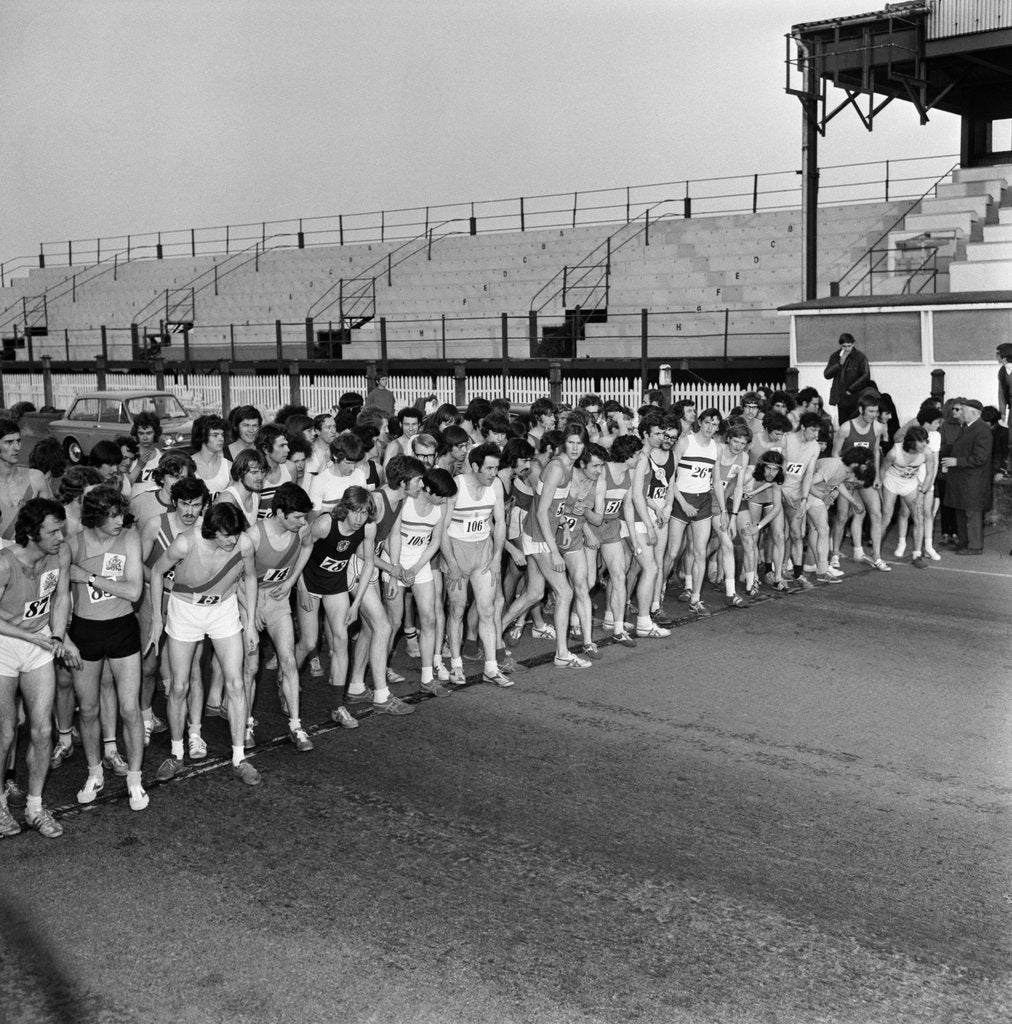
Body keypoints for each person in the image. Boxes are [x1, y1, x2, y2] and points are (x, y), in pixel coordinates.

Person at [149, 502, 261, 785]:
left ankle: (239, 758)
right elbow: (155, 572)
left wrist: (249, 624)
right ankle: (176, 754)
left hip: (223, 609)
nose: (232, 540)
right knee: (178, 685)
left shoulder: (243, 542)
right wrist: (156, 620)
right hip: (185, 610)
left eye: (236, 534)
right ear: (211, 531)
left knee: (236, 682)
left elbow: (249, 577)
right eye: (226, 535)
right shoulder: (185, 543)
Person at [0, 499, 78, 839]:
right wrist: (34, 638)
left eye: (61, 528)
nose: (60, 536)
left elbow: (61, 598)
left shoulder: (59, 554)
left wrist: (58, 636)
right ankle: (0, 806)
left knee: (43, 731)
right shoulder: (4, 565)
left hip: (40, 642)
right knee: (5, 732)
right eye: (53, 531)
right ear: (31, 534)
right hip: (4, 644)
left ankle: (34, 806)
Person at [296, 486, 411, 718]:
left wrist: (356, 603)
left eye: (364, 513)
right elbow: (299, 550)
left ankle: (338, 706)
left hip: (335, 585)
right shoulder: (324, 524)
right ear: (344, 509)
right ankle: (285, 677)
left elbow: (368, 562)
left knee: (341, 639)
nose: (359, 519)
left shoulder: (368, 526)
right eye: (355, 512)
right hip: (309, 583)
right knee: (309, 642)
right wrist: (300, 588)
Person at [66, 485, 146, 811]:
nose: (119, 520)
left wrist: (89, 577)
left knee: (130, 708)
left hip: (122, 628)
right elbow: (60, 591)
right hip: (85, 630)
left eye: (120, 514)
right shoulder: (73, 543)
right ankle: (94, 771)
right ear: (96, 516)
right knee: (87, 709)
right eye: (112, 515)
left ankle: (136, 780)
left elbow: (133, 591)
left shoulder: (129, 537)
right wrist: (63, 634)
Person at [243, 482, 315, 750]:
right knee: (251, 667)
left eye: (304, 516)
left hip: (277, 598)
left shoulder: (302, 529)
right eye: (297, 517)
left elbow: (307, 548)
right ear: (280, 513)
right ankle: (246, 724)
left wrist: (292, 580)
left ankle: (296, 725)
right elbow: (236, 578)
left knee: (288, 660)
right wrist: (251, 614)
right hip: (248, 600)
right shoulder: (253, 536)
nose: (303, 522)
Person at [442, 442, 513, 685]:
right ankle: (456, 665)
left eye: (496, 468)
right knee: (457, 609)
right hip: (457, 552)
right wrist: (450, 561)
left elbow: (500, 523)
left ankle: (491, 668)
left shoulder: (495, 486)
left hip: (483, 552)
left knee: (488, 609)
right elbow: (441, 529)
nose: (494, 473)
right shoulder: (456, 487)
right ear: (474, 466)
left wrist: (497, 557)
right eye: (489, 468)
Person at [386, 468, 456, 696]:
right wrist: (398, 568)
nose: (444, 500)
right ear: (426, 489)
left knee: (429, 617)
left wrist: (415, 568)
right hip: (394, 560)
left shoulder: (441, 506)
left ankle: (427, 677)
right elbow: (387, 536)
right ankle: (382, 668)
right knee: (393, 623)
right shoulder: (406, 501)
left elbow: (435, 541)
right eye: (440, 495)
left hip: (420, 562)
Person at [831, 392, 890, 572]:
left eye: (876, 411)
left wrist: (878, 476)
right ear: (861, 410)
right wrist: (845, 475)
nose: (874, 415)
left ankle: (877, 557)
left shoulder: (878, 428)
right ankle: (834, 554)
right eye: (871, 411)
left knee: (876, 514)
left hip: (866, 477)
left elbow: (876, 452)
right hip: (847, 477)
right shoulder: (846, 428)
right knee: (842, 516)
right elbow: (835, 454)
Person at [940, 398, 993, 555]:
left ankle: (974, 546)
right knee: (962, 511)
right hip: (964, 479)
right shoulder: (968, 427)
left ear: (973, 412)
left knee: (972, 513)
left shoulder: (982, 430)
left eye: (962, 410)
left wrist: (956, 461)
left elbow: (980, 458)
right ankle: (964, 542)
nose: (959, 413)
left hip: (973, 480)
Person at [881, 425, 933, 569]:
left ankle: (917, 555)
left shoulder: (927, 453)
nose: (924, 444)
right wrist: (878, 486)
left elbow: (929, 474)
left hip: (910, 484)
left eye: (926, 441)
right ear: (911, 441)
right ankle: (876, 554)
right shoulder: (894, 452)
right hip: (891, 482)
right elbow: (883, 469)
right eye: (921, 441)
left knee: (918, 516)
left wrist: (922, 493)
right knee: (886, 516)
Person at [0, 418, 51, 542]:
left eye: (18, 441)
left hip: (31, 554)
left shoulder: (36, 478)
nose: (17, 447)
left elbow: (50, 522)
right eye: (9, 442)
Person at [823, 332, 871, 425]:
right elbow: (827, 375)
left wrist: (851, 389)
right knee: (844, 424)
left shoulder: (860, 357)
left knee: (856, 423)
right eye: (844, 346)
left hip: (855, 396)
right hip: (841, 398)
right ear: (840, 345)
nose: (847, 349)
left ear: (853, 344)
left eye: (849, 346)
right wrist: (839, 364)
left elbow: (866, 376)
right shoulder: (835, 356)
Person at [191, 415, 232, 501]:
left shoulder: (228, 466)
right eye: (215, 435)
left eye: (222, 435)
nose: (221, 439)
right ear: (202, 436)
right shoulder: (187, 465)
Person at [997, 343, 1012, 476]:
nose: (996, 357)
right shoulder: (1002, 371)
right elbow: (1001, 392)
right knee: (1010, 440)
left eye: (998, 354)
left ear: (1004, 357)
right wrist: (1002, 411)